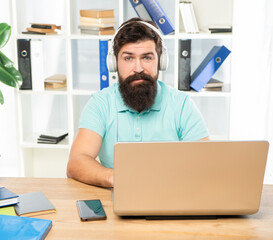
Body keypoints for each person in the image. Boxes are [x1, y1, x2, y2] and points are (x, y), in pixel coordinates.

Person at [67, 18, 209, 188]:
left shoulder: (182, 104)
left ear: (161, 62)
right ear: (114, 64)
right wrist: (116, 178)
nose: (138, 68)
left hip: (172, 195)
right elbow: (76, 162)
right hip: (117, 195)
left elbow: (205, 163)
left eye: (147, 58)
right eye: (128, 58)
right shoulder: (100, 104)